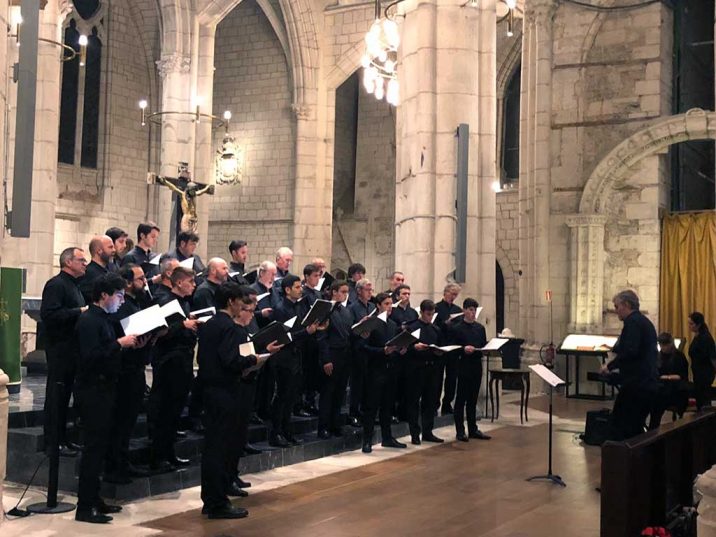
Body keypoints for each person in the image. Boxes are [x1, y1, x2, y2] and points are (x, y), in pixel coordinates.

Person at [198, 283, 282, 519]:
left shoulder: (209, 325)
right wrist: (253, 359)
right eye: (239, 301)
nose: (242, 305)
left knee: (213, 447)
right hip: (227, 392)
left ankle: (212, 498)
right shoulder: (230, 328)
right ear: (231, 302)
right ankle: (217, 502)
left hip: (210, 391)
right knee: (221, 448)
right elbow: (231, 361)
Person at [74, 273, 145, 524]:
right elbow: (91, 357)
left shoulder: (104, 319)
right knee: (93, 450)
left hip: (106, 389)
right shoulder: (89, 320)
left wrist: (128, 346)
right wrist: (119, 344)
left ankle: (95, 499)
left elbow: (108, 351)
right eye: (118, 295)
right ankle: (84, 507)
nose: (121, 300)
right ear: (104, 295)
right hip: (93, 391)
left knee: (101, 448)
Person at [104, 265, 153, 485]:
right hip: (123, 371)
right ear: (127, 282)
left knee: (129, 422)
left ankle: (123, 463)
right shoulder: (118, 310)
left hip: (136, 367)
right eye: (140, 278)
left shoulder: (137, 302)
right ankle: (114, 467)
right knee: (120, 422)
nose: (145, 281)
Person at [148, 267, 199, 471]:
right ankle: (158, 457)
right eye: (190, 282)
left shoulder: (184, 302)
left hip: (183, 361)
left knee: (176, 410)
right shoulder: (164, 300)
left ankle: (170, 453)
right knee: (164, 411)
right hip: (168, 361)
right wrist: (183, 326)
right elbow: (158, 332)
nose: (194, 285)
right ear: (179, 283)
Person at [40, 247, 88, 457]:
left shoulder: (75, 286)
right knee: (56, 396)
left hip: (72, 348)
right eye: (81, 260)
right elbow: (50, 315)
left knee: (65, 395)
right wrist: (80, 312)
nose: (85, 263)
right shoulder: (56, 284)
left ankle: (63, 439)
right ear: (68, 262)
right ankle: (53, 443)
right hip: (59, 348)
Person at [268, 274, 319, 446]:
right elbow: (283, 336)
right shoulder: (281, 308)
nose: (301, 289)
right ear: (287, 290)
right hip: (283, 358)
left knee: (291, 397)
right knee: (282, 397)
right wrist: (306, 332)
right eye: (297, 287)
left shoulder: (299, 307)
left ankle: (287, 431)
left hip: (296, 356)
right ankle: (276, 433)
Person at [601, 290, 658, 440]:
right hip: (644, 383)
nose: (615, 310)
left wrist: (609, 366)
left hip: (638, 385)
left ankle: (626, 460)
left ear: (626, 305)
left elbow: (631, 351)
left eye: (617, 306)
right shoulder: (642, 321)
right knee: (632, 424)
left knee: (623, 425)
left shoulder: (633, 323)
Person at [360, 293, 408, 453]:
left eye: (391, 304)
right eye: (386, 304)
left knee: (388, 406)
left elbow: (395, 344)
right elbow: (363, 347)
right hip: (375, 369)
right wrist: (383, 351)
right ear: (378, 305)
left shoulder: (393, 324)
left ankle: (387, 438)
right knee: (371, 406)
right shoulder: (371, 323)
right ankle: (366, 440)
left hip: (391, 369)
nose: (390, 307)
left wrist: (400, 349)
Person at [448, 298, 491, 441]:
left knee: (473, 399)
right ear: (464, 310)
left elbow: (482, 346)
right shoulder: (456, 328)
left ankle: (473, 429)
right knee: (461, 400)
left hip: (476, 365)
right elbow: (452, 349)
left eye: (475, 311)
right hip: (462, 366)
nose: (473, 313)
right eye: (471, 310)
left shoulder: (480, 328)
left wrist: (486, 350)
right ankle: (460, 431)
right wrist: (463, 349)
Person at [317, 280, 353, 438]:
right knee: (328, 393)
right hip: (332, 355)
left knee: (339, 393)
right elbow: (321, 336)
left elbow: (348, 331)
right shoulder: (326, 310)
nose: (345, 295)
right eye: (343, 292)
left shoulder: (345, 311)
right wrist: (326, 360)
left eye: (347, 292)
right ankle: (323, 427)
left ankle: (335, 425)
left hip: (345, 356)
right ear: (334, 292)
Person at [406, 300, 445, 444]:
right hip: (416, 369)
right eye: (428, 314)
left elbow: (441, 346)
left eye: (432, 314)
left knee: (430, 402)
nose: (430, 317)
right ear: (421, 312)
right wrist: (414, 347)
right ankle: (414, 433)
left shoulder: (436, 329)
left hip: (432, 369)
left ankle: (428, 431)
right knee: (414, 402)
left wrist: (440, 352)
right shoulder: (412, 328)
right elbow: (404, 349)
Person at [348, 278, 376, 425]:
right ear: (359, 291)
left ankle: (366, 411)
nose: (370, 293)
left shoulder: (372, 306)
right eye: (367, 290)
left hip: (371, 349)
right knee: (357, 383)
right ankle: (353, 412)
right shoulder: (352, 308)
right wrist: (360, 328)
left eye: (371, 290)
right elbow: (350, 329)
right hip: (358, 349)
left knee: (368, 383)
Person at [648, 332, 689, 429]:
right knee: (653, 398)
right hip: (663, 387)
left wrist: (666, 377)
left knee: (658, 400)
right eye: (661, 345)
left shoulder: (679, 356)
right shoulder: (658, 356)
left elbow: (682, 376)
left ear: (671, 344)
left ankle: (653, 427)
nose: (663, 348)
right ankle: (652, 428)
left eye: (665, 345)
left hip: (676, 389)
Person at [435, 283, 463, 415]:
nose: (453, 297)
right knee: (437, 378)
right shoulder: (436, 308)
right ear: (445, 293)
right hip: (440, 347)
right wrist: (444, 324)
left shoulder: (458, 309)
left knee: (452, 378)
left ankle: (447, 404)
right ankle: (435, 404)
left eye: (455, 295)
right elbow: (433, 327)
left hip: (453, 348)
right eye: (452, 294)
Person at [688, 312, 716, 410]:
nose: (689, 326)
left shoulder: (705, 338)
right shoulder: (698, 336)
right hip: (699, 373)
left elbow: (713, 357)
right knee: (700, 399)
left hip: (705, 374)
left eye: (691, 324)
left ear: (698, 324)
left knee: (704, 400)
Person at [79, 235, 116, 304]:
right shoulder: (87, 273)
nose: (114, 250)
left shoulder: (110, 270)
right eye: (110, 247)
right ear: (99, 251)